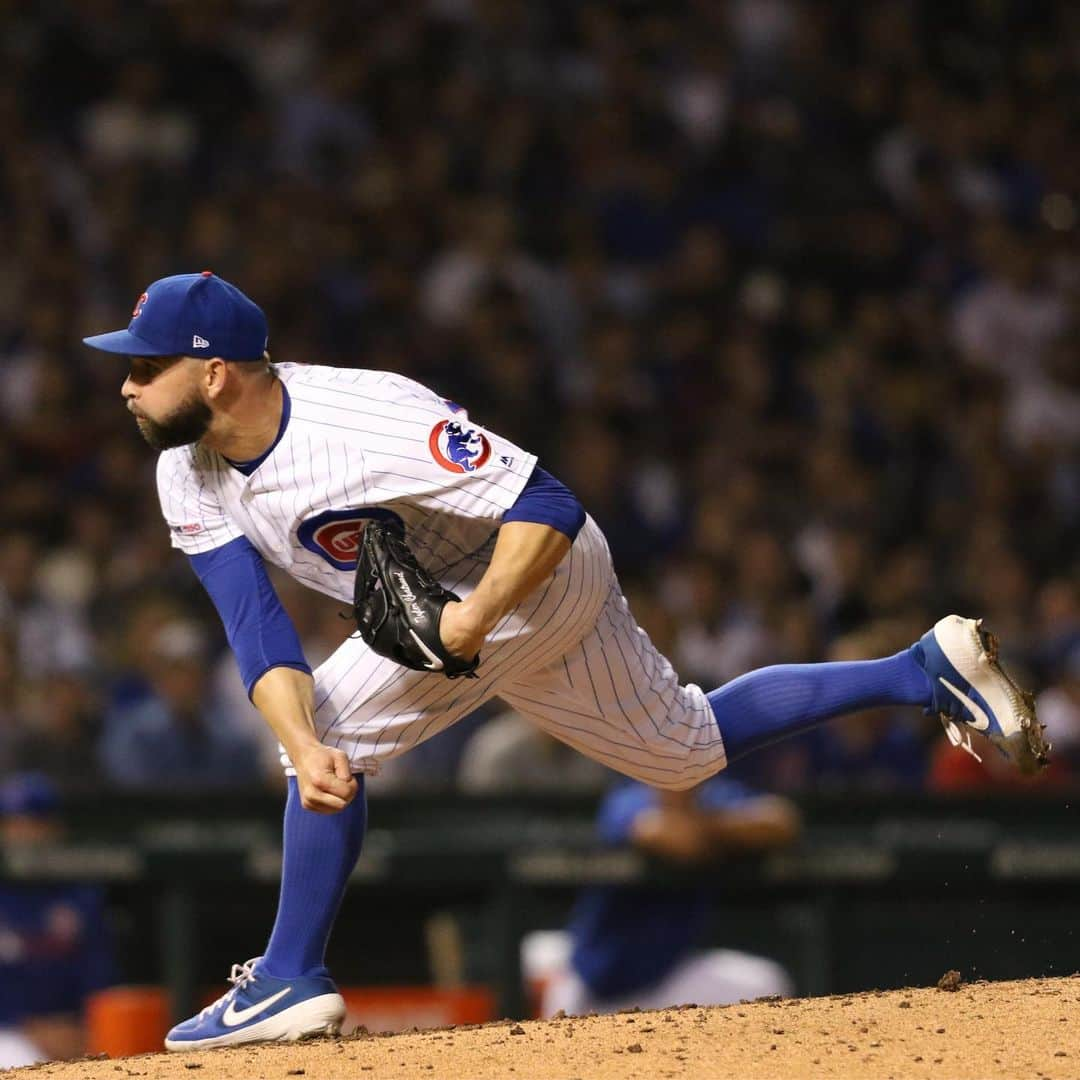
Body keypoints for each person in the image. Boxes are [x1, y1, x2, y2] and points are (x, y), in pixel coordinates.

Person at [82, 272, 1046, 1050]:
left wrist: (469, 626)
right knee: (683, 750)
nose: (126, 383)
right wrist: (302, 739)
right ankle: (923, 669)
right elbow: (255, 627)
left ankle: (290, 976)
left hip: (525, 575)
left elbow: (548, 506)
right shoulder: (183, 467)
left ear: (214, 374)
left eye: (146, 365)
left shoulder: (361, 419)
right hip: (467, 613)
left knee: (330, 732)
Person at [530, 777, 798, 1018]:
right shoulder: (630, 796)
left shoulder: (713, 797)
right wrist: (725, 833)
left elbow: (780, 820)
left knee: (766, 984)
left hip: (666, 978)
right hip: (596, 983)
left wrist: (704, 824)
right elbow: (673, 838)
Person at [0, 774, 115, 1068]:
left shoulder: (81, 895)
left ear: (55, 828)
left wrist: (82, 1027)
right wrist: (28, 1025)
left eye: (36, 822)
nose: (26, 833)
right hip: (9, 1031)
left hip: (76, 1031)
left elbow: (99, 974)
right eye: (15, 823)